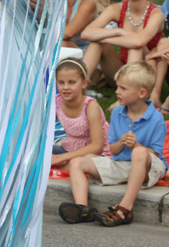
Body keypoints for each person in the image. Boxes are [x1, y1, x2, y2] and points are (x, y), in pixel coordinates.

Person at [59, 61, 168, 226]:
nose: (117, 91)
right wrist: (122, 143)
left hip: (150, 168)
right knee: (77, 162)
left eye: (123, 88)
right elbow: (113, 150)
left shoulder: (156, 118)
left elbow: (155, 154)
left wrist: (136, 146)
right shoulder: (118, 112)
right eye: (117, 87)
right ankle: (83, 208)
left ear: (141, 93)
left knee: (138, 153)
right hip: (121, 164)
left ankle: (125, 209)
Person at [81, 0, 165, 93]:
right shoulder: (117, 8)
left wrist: (105, 37)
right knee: (97, 43)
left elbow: (139, 42)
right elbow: (86, 33)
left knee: (135, 46)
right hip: (120, 68)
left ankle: (126, 96)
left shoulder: (156, 14)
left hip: (146, 73)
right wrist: (119, 31)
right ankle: (79, 86)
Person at [52, 58, 111, 171]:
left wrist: (59, 158)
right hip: (70, 148)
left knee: (77, 163)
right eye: (61, 82)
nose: (65, 87)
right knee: (39, 153)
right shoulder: (57, 101)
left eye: (72, 82)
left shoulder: (90, 106)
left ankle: (62, 167)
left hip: (96, 154)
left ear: (84, 83)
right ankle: (61, 166)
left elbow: (97, 147)